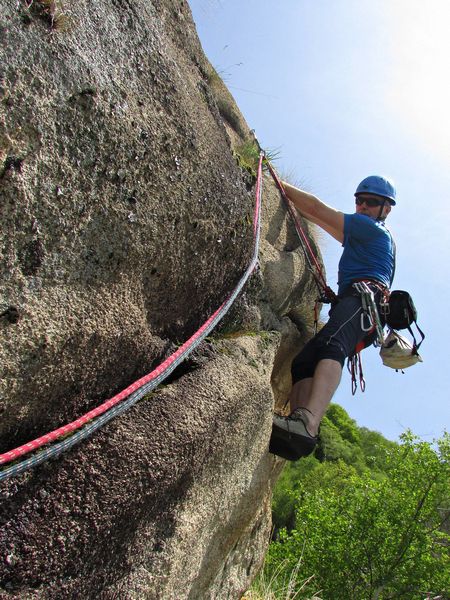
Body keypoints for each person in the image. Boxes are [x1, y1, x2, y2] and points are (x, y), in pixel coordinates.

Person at [269, 175, 396, 461]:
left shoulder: (371, 228)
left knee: (332, 346)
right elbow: (318, 218)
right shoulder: (362, 234)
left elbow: (316, 209)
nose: (362, 206)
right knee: (304, 361)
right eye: (359, 200)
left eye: (371, 202)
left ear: (386, 209)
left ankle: (308, 423)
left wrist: (276, 181)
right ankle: (297, 423)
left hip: (364, 301)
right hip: (354, 305)